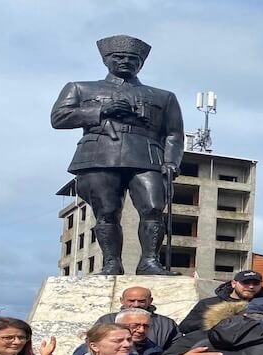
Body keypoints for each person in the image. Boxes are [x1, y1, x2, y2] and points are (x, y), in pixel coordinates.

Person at [51, 34, 184, 276]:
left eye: (132, 58)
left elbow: (174, 134)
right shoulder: (80, 88)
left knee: (154, 207)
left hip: (148, 156)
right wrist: (101, 110)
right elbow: (59, 118)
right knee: (107, 210)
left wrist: (171, 162)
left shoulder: (163, 96)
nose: (125, 61)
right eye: (118, 57)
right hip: (100, 153)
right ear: (106, 60)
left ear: (141, 63)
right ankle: (111, 263)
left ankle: (150, 261)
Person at [178, 270, 263, 333]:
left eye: (256, 283)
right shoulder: (208, 303)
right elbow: (184, 327)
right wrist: (215, 321)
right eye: (246, 283)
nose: (251, 287)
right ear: (233, 284)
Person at [95, 286, 180, 350]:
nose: (136, 305)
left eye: (141, 301)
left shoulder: (166, 324)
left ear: (150, 301)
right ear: (122, 300)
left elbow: (176, 349)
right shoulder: (106, 321)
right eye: (131, 301)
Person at [69, 308, 162, 355]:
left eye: (146, 326)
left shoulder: (155, 351)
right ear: (119, 325)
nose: (141, 330)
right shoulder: (91, 349)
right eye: (135, 326)